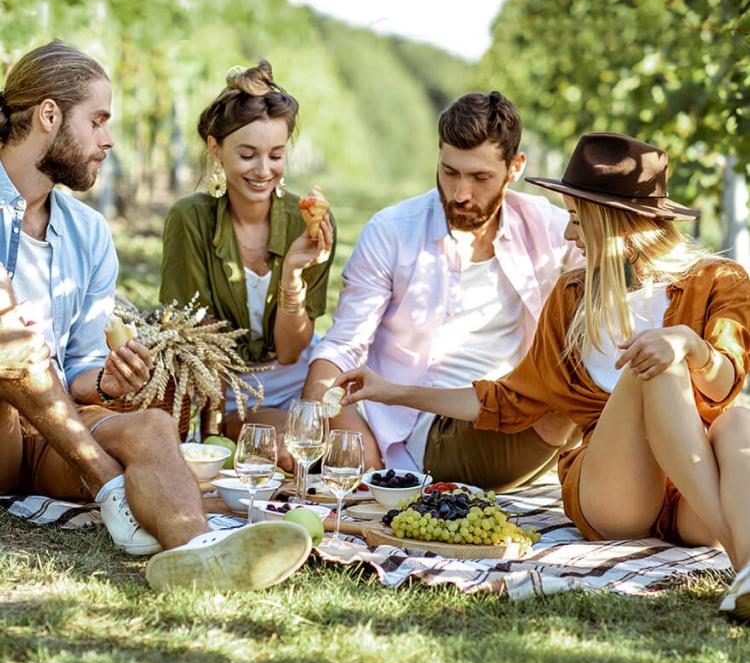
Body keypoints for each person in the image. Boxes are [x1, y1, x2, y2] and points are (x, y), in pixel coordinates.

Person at [336, 131, 750, 622]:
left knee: (737, 423)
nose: (568, 236)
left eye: (577, 221)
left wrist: (691, 344)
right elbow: (507, 400)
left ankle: (746, 571)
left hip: (691, 495)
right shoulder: (572, 297)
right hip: (617, 491)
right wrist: (390, 390)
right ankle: (743, 558)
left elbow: (724, 383)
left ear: (615, 223)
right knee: (649, 367)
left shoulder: (720, 282)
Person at [0, 41, 311, 591]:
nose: (107, 140)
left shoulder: (88, 233)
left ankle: (199, 553)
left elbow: (79, 366)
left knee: (154, 426)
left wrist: (105, 378)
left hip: (53, 432)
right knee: (11, 338)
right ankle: (108, 485)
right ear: (49, 115)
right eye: (96, 120)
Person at [302, 91, 581, 486]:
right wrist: (327, 417)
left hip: (509, 410)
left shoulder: (548, 227)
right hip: (424, 428)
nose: (460, 193)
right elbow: (343, 344)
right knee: (564, 406)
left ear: (515, 167)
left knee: (596, 368)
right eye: (449, 172)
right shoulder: (393, 231)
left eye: (480, 177)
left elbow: (617, 275)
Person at [160, 62, 335, 450]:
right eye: (248, 154)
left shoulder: (309, 220)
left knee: (350, 447)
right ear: (215, 149)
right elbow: (198, 341)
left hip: (297, 376)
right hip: (230, 387)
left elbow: (291, 352)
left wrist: (291, 272)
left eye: (275, 155)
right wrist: (215, 429)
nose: (263, 170)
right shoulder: (191, 219)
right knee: (283, 447)